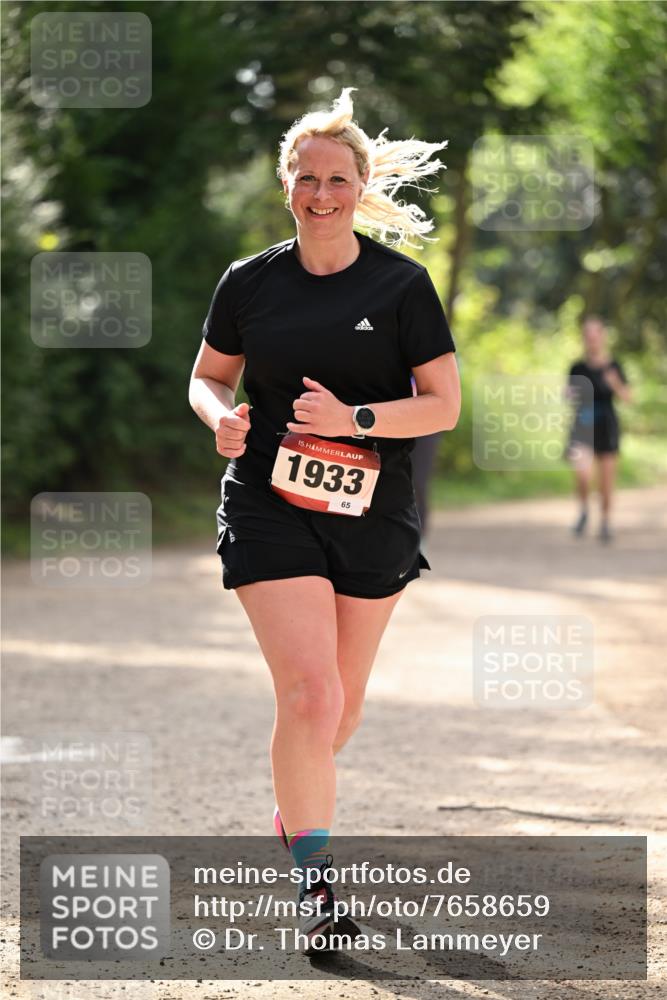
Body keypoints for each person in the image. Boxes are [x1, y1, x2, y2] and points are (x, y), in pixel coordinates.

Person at [189, 87, 460, 952]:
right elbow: (208, 375)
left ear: (359, 186)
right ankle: (316, 886)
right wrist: (219, 418)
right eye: (306, 178)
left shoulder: (401, 285)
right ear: (286, 185)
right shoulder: (249, 282)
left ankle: (293, 809)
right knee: (308, 696)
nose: (320, 194)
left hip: (372, 513)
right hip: (268, 503)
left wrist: (354, 420)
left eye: (336, 179)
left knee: (337, 710)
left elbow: (442, 404)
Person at [564, 315, 632, 543]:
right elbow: (569, 395)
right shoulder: (577, 367)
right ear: (584, 339)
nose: (592, 339)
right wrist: (569, 394)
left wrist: (615, 383)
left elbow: (628, 397)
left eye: (595, 335)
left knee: (606, 481)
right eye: (588, 335)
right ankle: (584, 510)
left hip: (607, 425)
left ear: (602, 337)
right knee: (583, 475)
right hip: (583, 424)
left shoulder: (614, 366)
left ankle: (605, 521)